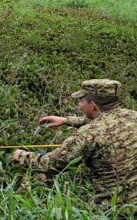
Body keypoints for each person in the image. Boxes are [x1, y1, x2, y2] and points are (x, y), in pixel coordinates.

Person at [13, 79, 136, 207]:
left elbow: (52, 164)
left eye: (81, 101)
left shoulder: (88, 134)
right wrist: (66, 120)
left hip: (117, 209)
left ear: (93, 105)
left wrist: (22, 155)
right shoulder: (133, 116)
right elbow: (107, 121)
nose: (78, 105)